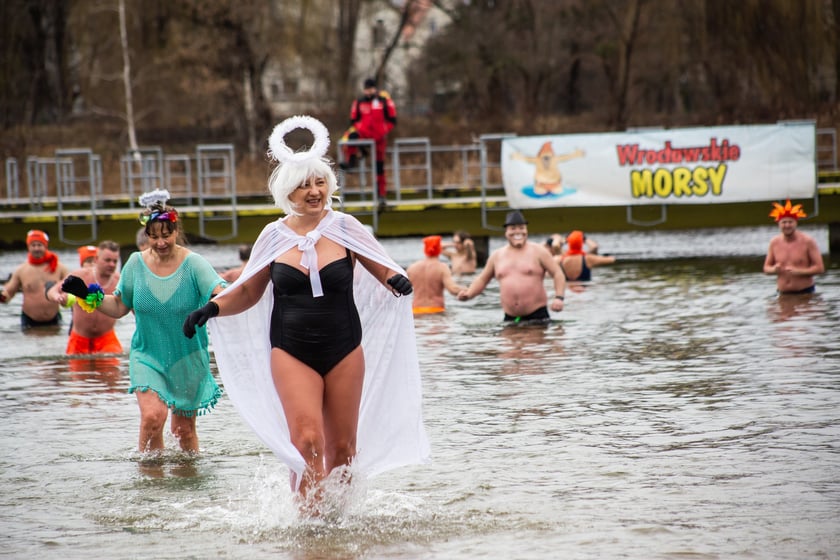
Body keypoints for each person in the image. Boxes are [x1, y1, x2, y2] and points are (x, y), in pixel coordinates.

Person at [183, 115, 428, 507]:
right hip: (291, 349)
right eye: (304, 185)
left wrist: (397, 282)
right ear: (287, 192)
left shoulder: (346, 228)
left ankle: (340, 523)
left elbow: (385, 269)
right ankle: (308, 526)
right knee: (308, 443)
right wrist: (210, 309)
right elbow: (247, 291)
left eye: (320, 183)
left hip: (345, 347)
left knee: (344, 447)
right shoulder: (273, 235)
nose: (314, 191)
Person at [61, 189, 226, 454]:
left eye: (166, 235)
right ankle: (150, 487)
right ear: (146, 235)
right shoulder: (136, 263)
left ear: (176, 230)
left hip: (187, 356)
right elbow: (119, 306)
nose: (160, 242)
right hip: (148, 355)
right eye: (153, 236)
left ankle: (190, 488)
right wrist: (86, 293)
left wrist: (214, 303)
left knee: (184, 431)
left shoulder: (194, 264)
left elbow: (221, 292)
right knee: (152, 417)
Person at [458, 210, 566, 322]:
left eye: (521, 228)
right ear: (506, 232)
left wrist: (559, 298)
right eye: (513, 228)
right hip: (510, 318)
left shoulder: (539, 251)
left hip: (536, 315)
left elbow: (558, 273)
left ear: (526, 230)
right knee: (506, 339)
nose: (518, 232)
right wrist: (469, 294)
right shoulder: (497, 255)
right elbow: (482, 279)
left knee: (534, 339)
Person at [47, 240, 123, 355]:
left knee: (113, 372)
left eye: (115, 261)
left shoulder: (120, 281)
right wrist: (58, 297)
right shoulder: (80, 276)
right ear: (96, 259)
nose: (112, 264)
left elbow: (132, 306)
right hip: (79, 339)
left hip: (107, 339)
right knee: (77, 372)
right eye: (107, 260)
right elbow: (52, 291)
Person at [339, 77, 397, 201]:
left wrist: (383, 130)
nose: (368, 92)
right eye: (366, 89)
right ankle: (351, 162)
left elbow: (392, 120)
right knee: (351, 137)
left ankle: (381, 194)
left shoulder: (384, 101)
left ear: (375, 89)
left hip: (379, 137)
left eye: (370, 89)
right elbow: (354, 120)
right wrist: (360, 128)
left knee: (379, 166)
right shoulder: (359, 102)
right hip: (364, 134)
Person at [0, 229, 70, 329]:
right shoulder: (21, 270)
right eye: (33, 245)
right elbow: (9, 293)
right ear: (28, 247)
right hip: (29, 321)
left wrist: (67, 297)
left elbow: (73, 287)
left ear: (46, 246)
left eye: (39, 245)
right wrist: (2, 296)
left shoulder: (59, 268)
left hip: (54, 318)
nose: (36, 248)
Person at [763, 199, 825, 294]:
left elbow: (820, 268)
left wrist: (800, 271)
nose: (787, 225)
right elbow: (766, 268)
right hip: (783, 293)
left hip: (805, 292)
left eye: (790, 222)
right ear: (779, 224)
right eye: (784, 222)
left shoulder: (808, 241)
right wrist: (774, 269)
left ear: (796, 223)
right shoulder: (774, 242)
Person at [406, 235, 467, 314]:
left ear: (425, 249)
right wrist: (469, 290)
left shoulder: (412, 267)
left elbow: (403, 291)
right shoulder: (442, 267)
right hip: (436, 310)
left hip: (416, 310)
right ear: (439, 250)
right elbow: (453, 289)